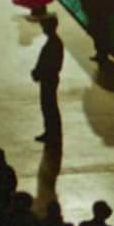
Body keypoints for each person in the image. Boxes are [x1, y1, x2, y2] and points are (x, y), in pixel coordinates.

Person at [31, 14, 64, 147]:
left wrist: (38, 73)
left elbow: (48, 64)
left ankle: (51, 133)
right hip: (50, 78)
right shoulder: (56, 43)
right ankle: (52, 132)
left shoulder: (52, 44)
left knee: (48, 106)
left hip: (48, 79)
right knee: (50, 106)